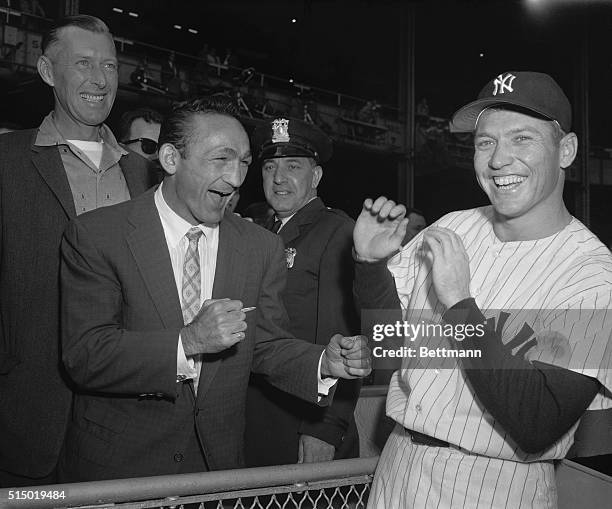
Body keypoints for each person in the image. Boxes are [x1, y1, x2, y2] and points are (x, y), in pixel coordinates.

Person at [58, 96, 371, 482]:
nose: (237, 178)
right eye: (221, 159)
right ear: (171, 160)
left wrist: (322, 363)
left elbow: (264, 344)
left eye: (243, 162)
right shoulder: (98, 235)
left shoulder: (259, 246)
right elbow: (85, 355)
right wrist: (187, 341)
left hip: (218, 471)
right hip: (121, 471)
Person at [353, 71, 612, 508]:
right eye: (485, 142)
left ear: (565, 150)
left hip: (496, 484)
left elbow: (536, 422)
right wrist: (370, 267)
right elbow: (388, 348)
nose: (498, 160)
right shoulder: (452, 226)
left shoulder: (590, 274)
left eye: (522, 138)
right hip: (399, 465)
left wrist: (460, 304)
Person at [0, 15, 153, 488]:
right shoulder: (6, 162)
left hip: (124, 418)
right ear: (47, 71)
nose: (100, 79)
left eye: (109, 65)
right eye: (83, 63)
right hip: (25, 410)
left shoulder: (147, 176)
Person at [245, 118, 361, 466]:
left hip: (302, 421)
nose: (279, 178)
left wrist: (325, 429)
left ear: (316, 177)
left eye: (293, 166)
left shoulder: (337, 233)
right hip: (252, 420)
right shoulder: (255, 236)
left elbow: (346, 342)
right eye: (270, 167)